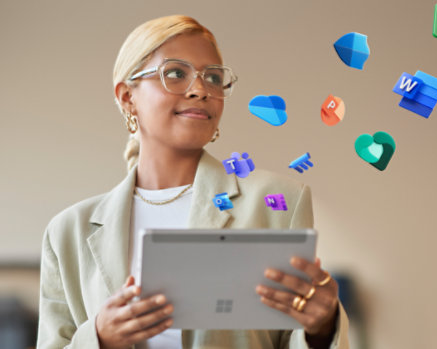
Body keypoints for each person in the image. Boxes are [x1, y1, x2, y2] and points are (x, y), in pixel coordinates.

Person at [36, 14, 349, 349]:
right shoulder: (68, 231)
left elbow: (296, 335)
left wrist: (322, 326)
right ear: (128, 97)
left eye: (213, 78)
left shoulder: (278, 200)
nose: (201, 89)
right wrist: (99, 338)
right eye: (175, 73)